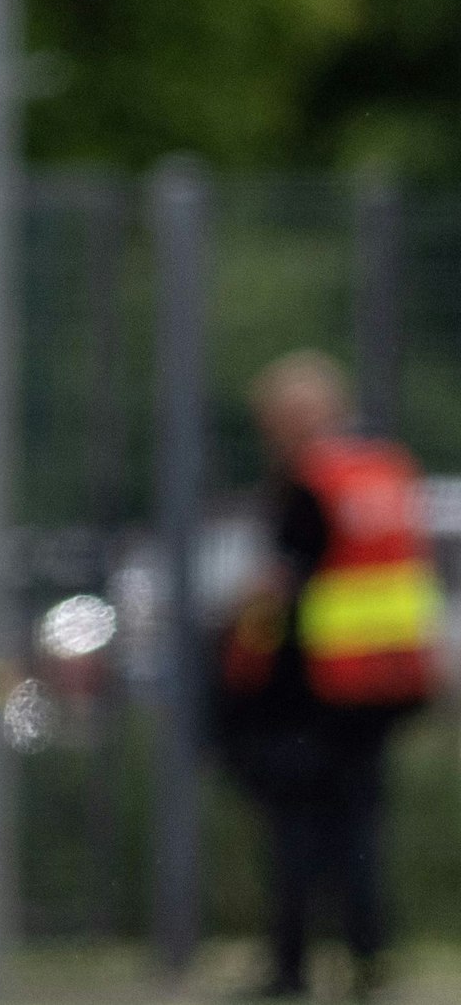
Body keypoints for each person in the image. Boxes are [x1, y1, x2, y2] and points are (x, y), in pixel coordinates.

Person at [217, 352, 439, 1003]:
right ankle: (370, 957)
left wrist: (237, 658)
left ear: (297, 418)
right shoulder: (387, 470)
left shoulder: (311, 482)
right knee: (362, 823)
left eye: (273, 425)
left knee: (296, 830)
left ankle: (290, 967)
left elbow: (277, 589)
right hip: (382, 685)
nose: (270, 439)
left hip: (311, 690)